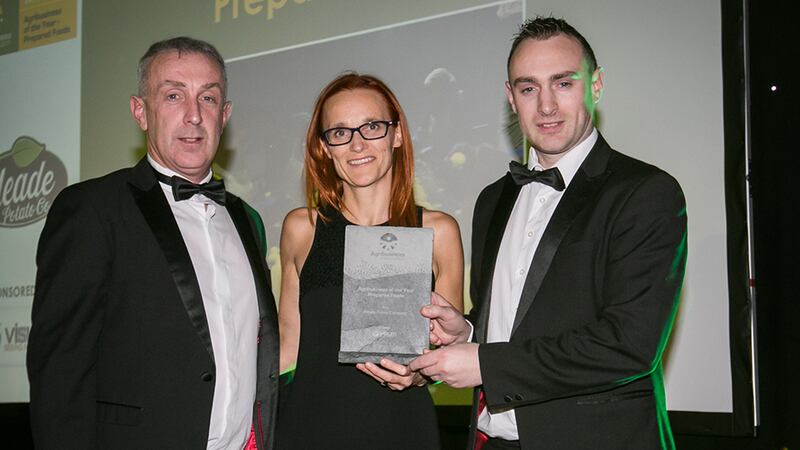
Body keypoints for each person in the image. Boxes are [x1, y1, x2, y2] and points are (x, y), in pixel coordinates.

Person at [410, 16, 687, 450]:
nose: (546, 106)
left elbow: (629, 345)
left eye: (563, 83)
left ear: (595, 85)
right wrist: (467, 332)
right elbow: (514, 322)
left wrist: (486, 363)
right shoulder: (492, 200)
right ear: (510, 97)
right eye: (528, 88)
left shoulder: (645, 192)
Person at [26, 37, 279, 449]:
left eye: (209, 98)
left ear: (225, 114)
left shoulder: (245, 220)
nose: (194, 116)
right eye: (174, 95)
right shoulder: (92, 209)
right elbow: (60, 372)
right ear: (140, 111)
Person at [276, 73, 464, 449]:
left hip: (401, 429)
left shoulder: (438, 231)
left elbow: (447, 351)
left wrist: (419, 376)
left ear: (396, 135)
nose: (357, 143)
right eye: (340, 132)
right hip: (308, 430)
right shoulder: (302, 228)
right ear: (325, 147)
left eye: (372, 126)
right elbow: (287, 346)